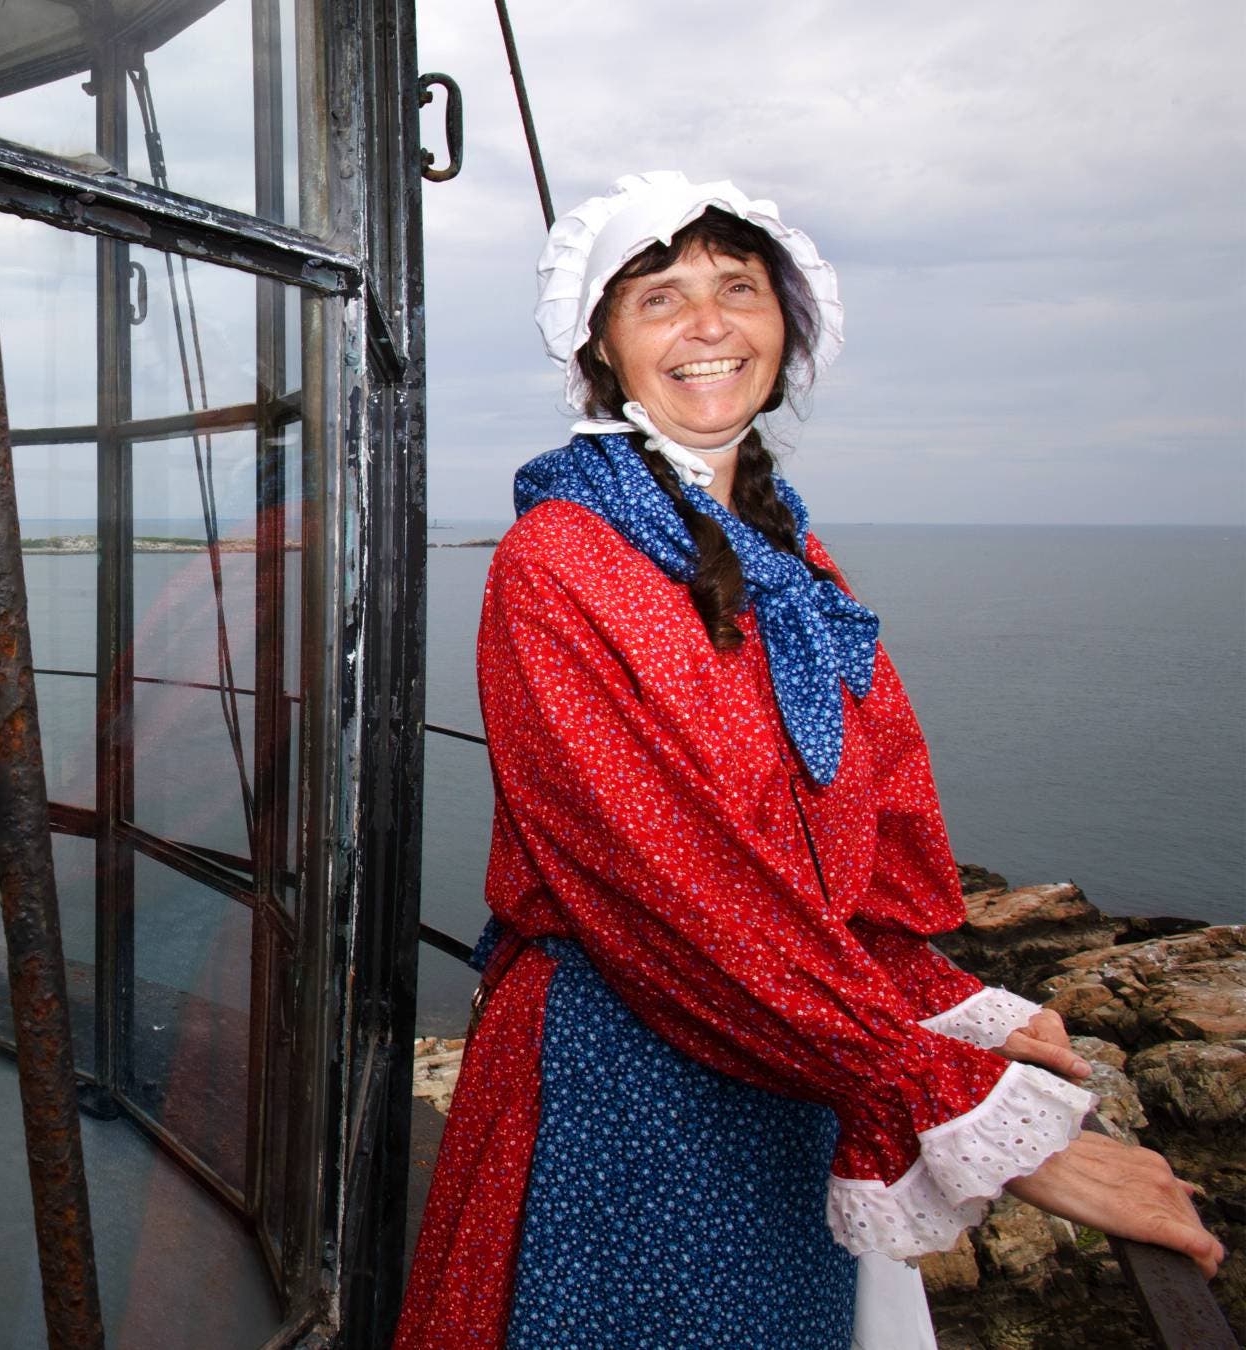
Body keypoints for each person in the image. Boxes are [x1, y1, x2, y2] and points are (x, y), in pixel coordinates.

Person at [393, 171, 1222, 1350]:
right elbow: (670, 891)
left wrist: (944, 998)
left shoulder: (790, 560)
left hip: (793, 1050)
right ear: (601, 350)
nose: (709, 324)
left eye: (739, 288)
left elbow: (865, 834)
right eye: (659, 298)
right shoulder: (557, 563)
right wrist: (972, 1113)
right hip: (629, 1079)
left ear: (788, 324)